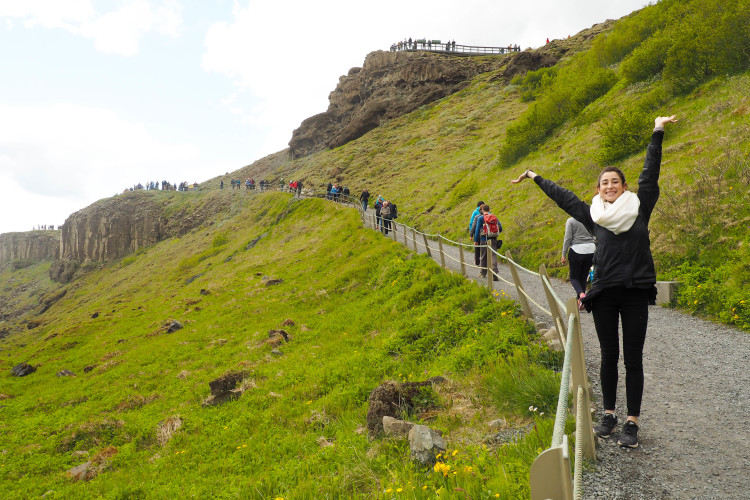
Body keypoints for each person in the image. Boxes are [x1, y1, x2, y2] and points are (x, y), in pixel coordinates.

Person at [511, 114, 678, 449]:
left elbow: (650, 171)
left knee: (633, 357)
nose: (610, 186)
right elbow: (565, 198)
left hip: (634, 291)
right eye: (605, 183)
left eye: (615, 181)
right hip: (602, 292)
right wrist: (534, 176)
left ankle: (632, 422)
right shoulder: (593, 214)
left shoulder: (640, 206)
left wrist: (657, 130)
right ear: (599, 189)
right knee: (607, 354)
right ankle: (609, 414)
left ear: (625, 187)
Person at [561, 217, 595, 311]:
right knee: (583, 277)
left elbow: (567, 238)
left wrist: (563, 254)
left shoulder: (571, 220)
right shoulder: (589, 217)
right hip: (591, 250)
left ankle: (581, 295)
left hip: (577, 250)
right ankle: (581, 302)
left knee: (574, 277)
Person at [472, 204, 501, 280]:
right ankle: (494, 273)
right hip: (493, 239)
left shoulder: (480, 218)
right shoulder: (494, 217)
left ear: (482, 210)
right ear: (489, 209)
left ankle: (483, 273)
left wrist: (476, 240)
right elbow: (500, 228)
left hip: (484, 239)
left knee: (484, 256)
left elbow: (477, 230)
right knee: (493, 256)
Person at [468, 200, 485, 268]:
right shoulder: (488, 213)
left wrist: (471, 233)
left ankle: (477, 262)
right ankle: (486, 262)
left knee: (477, 248)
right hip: (486, 234)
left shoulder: (475, 213)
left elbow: (472, 223)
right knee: (485, 248)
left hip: (477, 233)